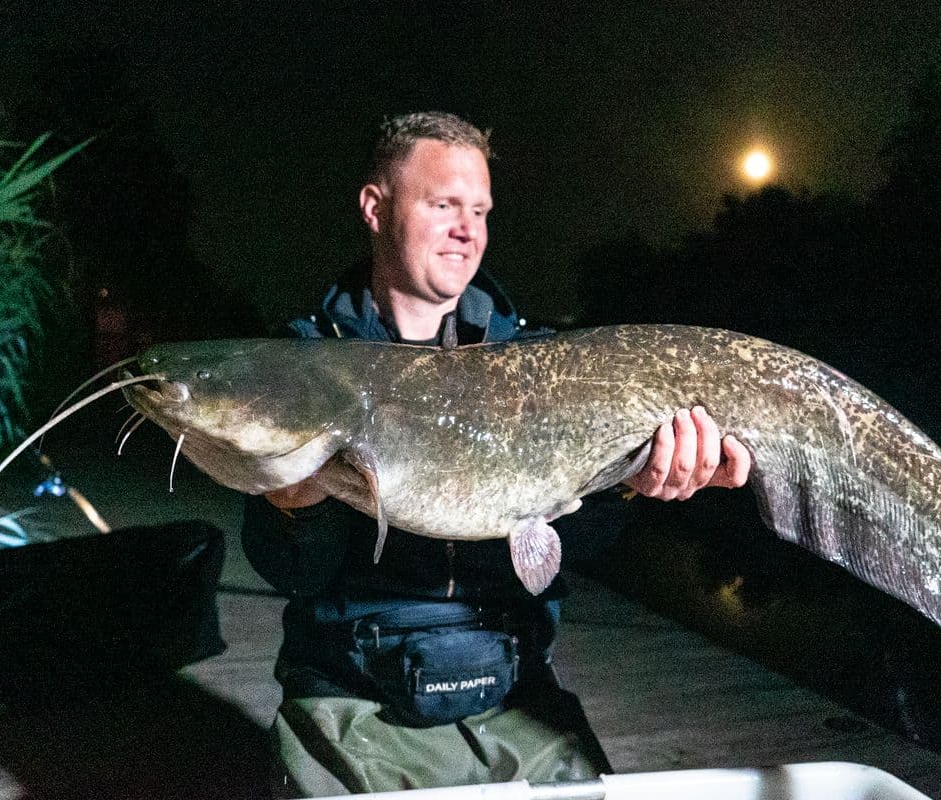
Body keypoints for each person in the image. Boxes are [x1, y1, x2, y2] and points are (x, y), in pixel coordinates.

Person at [241, 111, 752, 796]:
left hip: (513, 698)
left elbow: (572, 547)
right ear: (374, 207)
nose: (467, 229)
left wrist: (634, 484)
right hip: (353, 699)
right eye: (443, 204)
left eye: (479, 209)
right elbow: (290, 571)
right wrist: (290, 505)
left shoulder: (538, 362)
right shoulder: (307, 361)